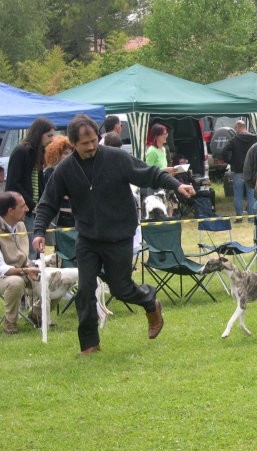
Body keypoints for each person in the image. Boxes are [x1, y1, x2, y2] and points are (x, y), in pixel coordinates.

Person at [32, 114, 196, 355]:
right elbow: (47, 203)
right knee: (85, 290)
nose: (90, 147)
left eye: (93, 141)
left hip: (119, 235)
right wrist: (38, 231)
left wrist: (176, 185)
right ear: (73, 144)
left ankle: (150, 301)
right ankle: (89, 344)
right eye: (84, 143)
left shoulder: (116, 158)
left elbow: (150, 173)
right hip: (88, 238)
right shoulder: (65, 170)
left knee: (121, 289)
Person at [5, 117, 55, 259]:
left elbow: (39, 182)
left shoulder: (37, 153)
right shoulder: (21, 151)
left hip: (34, 210)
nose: (52, 139)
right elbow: (13, 184)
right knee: (29, 251)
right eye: (49, 135)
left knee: (37, 250)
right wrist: (32, 205)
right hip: (22, 211)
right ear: (39, 134)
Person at [0, 192, 41, 334]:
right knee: (15, 282)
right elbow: (1, 269)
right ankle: (10, 323)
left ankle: (37, 314)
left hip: (23, 271)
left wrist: (35, 266)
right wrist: (25, 271)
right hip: (4, 277)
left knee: (54, 275)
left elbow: (24, 258)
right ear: (10, 211)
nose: (27, 209)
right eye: (23, 206)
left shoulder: (21, 226)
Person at [222, 120, 257, 222]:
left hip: (238, 170)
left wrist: (231, 161)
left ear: (238, 127)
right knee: (251, 195)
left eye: (236, 129)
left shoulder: (234, 139)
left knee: (238, 195)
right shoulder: (255, 138)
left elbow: (223, 152)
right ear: (245, 127)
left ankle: (239, 218)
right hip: (251, 171)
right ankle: (251, 218)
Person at [43, 135, 75, 228]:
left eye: (70, 153)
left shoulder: (71, 171)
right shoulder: (50, 172)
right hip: (59, 218)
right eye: (65, 153)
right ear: (56, 154)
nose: (68, 156)